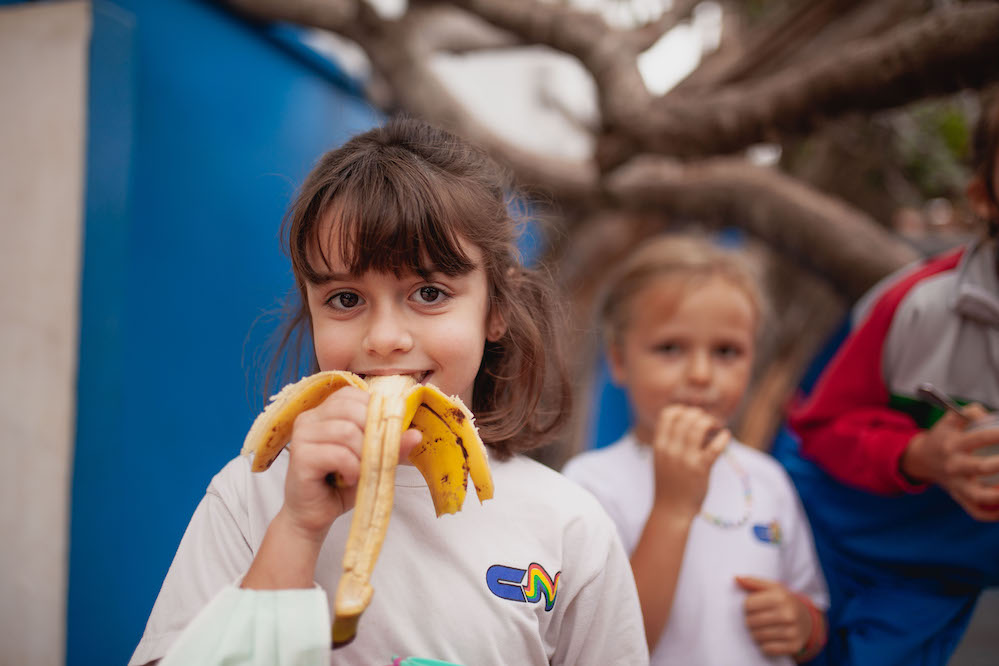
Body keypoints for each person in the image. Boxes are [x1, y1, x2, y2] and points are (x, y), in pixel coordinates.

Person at [128, 117, 649, 666]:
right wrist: (298, 529)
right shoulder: (250, 498)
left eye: (428, 292)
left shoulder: (567, 525)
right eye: (346, 300)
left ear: (495, 308)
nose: (383, 340)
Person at [779, 89, 999, 665]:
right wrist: (921, 452)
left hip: (931, 583)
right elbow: (819, 427)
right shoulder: (919, 306)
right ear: (985, 196)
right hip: (832, 542)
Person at [562, 234, 829, 665]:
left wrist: (802, 624)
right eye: (670, 349)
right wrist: (673, 507)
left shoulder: (767, 479)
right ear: (619, 360)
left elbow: (813, 613)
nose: (702, 374)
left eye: (726, 351)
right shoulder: (590, 484)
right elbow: (611, 646)